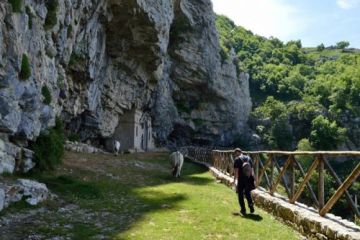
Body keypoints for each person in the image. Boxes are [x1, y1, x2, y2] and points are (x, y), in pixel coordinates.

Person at [233, 148, 255, 215]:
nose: (235, 155)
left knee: (240, 194)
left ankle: (243, 210)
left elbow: (236, 172)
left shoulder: (237, 159)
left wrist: (235, 181)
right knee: (247, 192)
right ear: (241, 152)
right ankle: (251, 207)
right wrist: (253, 179)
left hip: (241, 179)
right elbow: (252, 170)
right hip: (248, 178)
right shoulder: (249, 158)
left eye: (235, 153)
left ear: (237, 152)